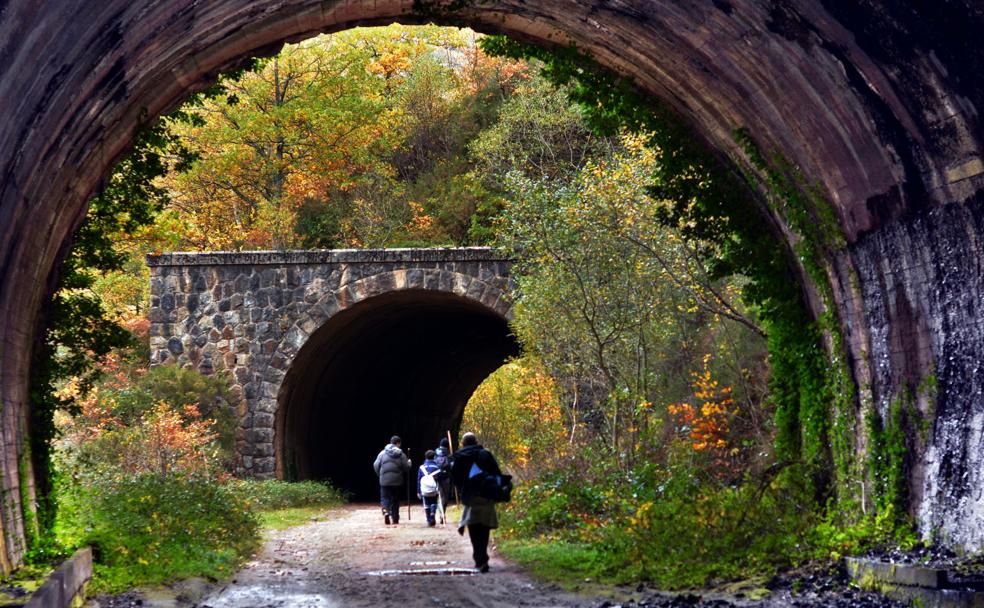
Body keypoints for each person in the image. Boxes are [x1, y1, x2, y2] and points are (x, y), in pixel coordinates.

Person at [450, 432, 501, 572]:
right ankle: (482, 558)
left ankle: (479, 558)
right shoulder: (485, 454)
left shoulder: (460, 457)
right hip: (486, 495)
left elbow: (455, 477)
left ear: (463, 443)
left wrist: (462, 489)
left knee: (473, 527)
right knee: (484, 527)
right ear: (476, 441)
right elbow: (496, 473)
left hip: (470, 497)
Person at [373, 435, 410, 526]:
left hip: (384, 481)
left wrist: (380, 475)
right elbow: (406, 468)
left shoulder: (382, 453)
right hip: (397, 481)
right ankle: (395, 519)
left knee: (385, 498)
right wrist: (409, 463)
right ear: (398, 443)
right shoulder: (402, 455)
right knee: (395, 500)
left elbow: (375, 465)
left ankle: (386, 511)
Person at [417, 449, 441, 527]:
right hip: (434, 490)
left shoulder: (422, 467)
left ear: (425, 457)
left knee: (426, 504)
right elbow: (439, 479)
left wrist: (418, 491)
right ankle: (433, 512)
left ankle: (429, 520)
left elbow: (419, 480)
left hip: (424, 490)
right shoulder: (437, 467)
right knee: (434, 502)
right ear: (434, 457)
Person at [433, 437, 453, 507]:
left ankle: (440, 508)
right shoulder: (448, 454)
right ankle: (443, 510)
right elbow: (452, 466)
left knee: (440, 494)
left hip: (437, 476)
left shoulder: (435, 453)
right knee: (446, 495)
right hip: (446, 477)